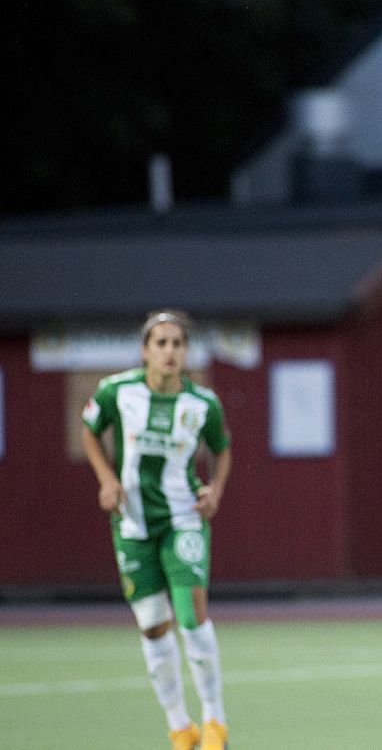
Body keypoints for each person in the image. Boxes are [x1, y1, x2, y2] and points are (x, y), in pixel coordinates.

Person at [82, 310, 232, 750]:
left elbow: (223, 450)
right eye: (161, 343)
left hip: (183, 517)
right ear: (145, 349)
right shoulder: (116, 391)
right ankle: (179, 727)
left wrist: (215, 492)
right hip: (131, 524)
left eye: (178, 344)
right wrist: (107, 479)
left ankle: (215, 723)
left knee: (191, 617)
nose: (169, 351)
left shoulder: (202, 404)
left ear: (186, 352)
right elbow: (90, 431)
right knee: (152, 627)